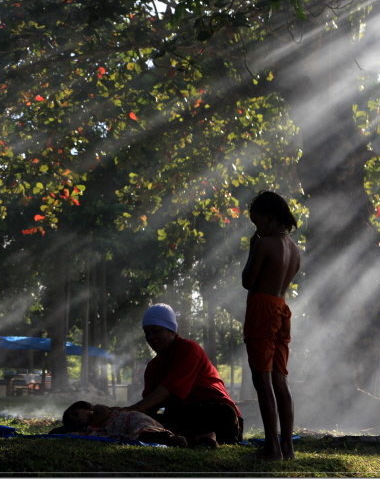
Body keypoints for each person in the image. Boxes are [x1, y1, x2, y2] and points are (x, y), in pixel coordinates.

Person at [121, 303, 242, 448]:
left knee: (223, 413)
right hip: (181, 415)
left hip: (212, 412)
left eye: (155, 331)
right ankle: (192, 437)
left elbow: (168, 388)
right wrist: (124, 416)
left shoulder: (189, 350)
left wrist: (135, 409)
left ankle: (177, 435)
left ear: (172, 331)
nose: (151, 337)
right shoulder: (153, 367)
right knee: (143, 421)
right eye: (147, 333)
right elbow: (150, 407)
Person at [241, 190, 300, 461]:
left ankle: (272, 449)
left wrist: (254, 246)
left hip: (262, 309)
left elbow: (248, 280)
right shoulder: (294, 249)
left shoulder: (265, 245)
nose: (257, 229)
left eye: (258, 222)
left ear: (270, 217)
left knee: (261, 380)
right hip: (281, 309)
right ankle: (287, 447)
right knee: (279, 380)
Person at [58, 401, 187, 446]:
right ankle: (194, 438)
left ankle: (172, 437)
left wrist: (87, 428)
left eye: (76, 414)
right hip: (128, 429)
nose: (76, 419)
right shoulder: (91, 428)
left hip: (133, 420)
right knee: (141, 438)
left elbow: (105, 414)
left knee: (142, 435)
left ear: (87, 407)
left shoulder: (97, 409)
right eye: (73, 421)